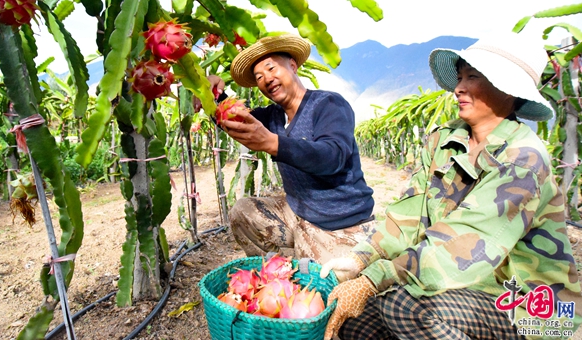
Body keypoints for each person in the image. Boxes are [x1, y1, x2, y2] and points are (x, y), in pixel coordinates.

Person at [319, 33, 582, 339]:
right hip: (465, 286)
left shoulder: (522, 160)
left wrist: (375, 278)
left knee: (404, 307)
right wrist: (360, 260)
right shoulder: (445, 140)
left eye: (473, 77)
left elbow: (463, 244)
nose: (459, 88)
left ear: (509, 90)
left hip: (524, 304)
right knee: (357, 322)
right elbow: (409, 216)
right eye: (460, 77)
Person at [207, 34, 377, 264]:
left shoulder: (329, 104)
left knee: (320, 290)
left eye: (271, 68)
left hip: (340, 221)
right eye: (259, 76)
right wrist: (213, 93)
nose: (267, 79)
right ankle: (276, 267)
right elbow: (236, 121)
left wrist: (272, 143)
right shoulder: (273, 116)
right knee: (243, 212)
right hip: (298, 211)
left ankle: (321, 254)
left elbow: (332, 156)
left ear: (293, 66)